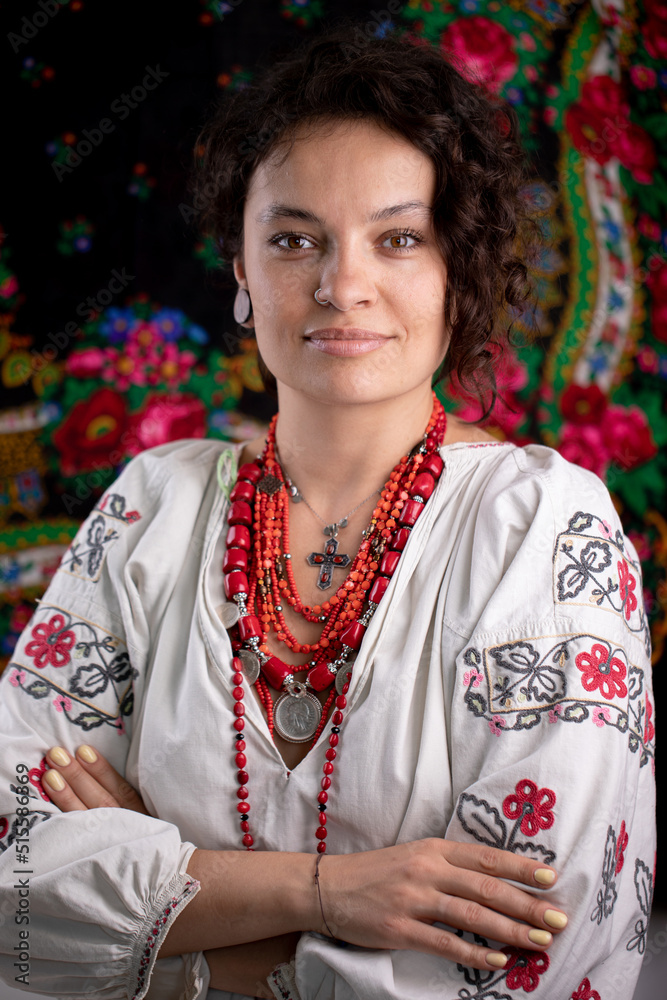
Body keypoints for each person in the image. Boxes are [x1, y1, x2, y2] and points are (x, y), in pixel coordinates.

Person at [0, 25, 655, 1000]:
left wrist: (160, 898)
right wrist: (335, 892)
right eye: (294, 237)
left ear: (455, 271)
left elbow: (527, 953)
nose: (341, 285)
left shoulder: (544, 526)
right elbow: (13, 876)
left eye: (397, 237)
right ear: (240, 273)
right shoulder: (153, 505)